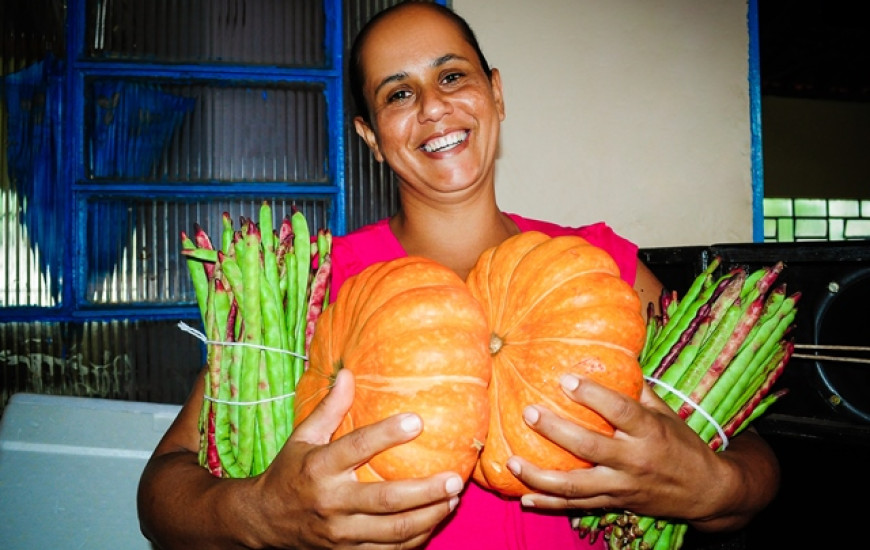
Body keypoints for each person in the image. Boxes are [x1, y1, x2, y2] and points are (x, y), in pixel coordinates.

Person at [137, 2, 780, 548]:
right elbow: (162, 492)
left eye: (452, 76)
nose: (433, 107)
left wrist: (711, 487)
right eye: (398, 93)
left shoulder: (599, 265)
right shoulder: (311, 284)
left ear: (495, 92)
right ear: (370, 135)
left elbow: (747, 451)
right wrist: (262, 514)